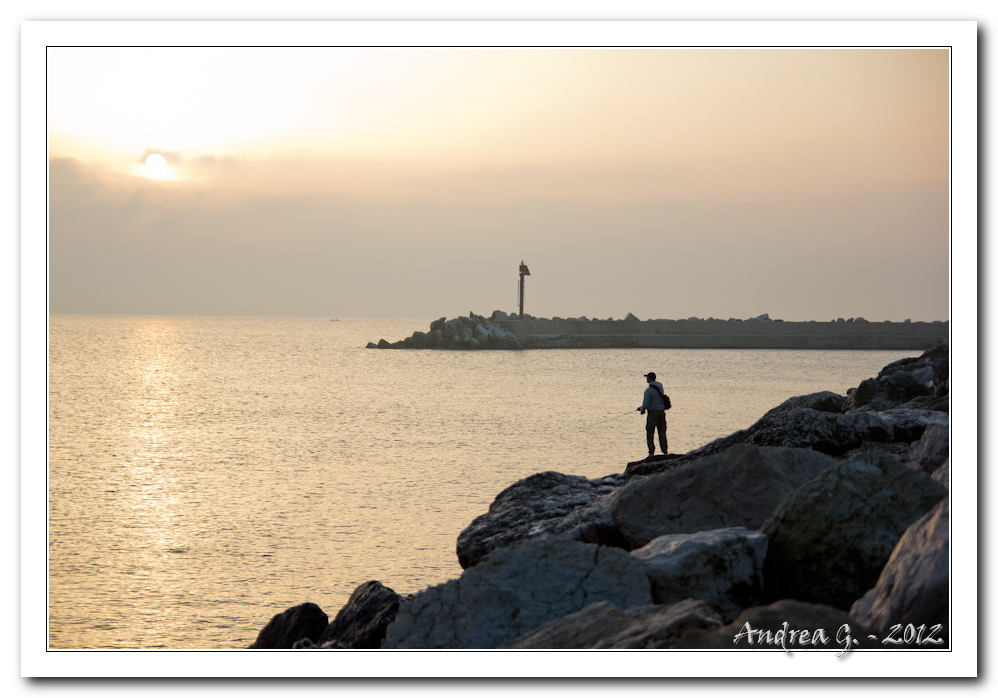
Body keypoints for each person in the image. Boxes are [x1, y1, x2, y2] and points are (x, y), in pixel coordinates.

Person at [637, 372, 669, 457]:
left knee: (650, 432)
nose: (646, 379)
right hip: (661, 412)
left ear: (650, 379)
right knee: (662, 432)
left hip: (653, 413)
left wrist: (642, 409)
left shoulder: (648, 391)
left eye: (647, 377)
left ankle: (651, 453)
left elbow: (646, 404)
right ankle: (665, 452)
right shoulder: (660, 388)